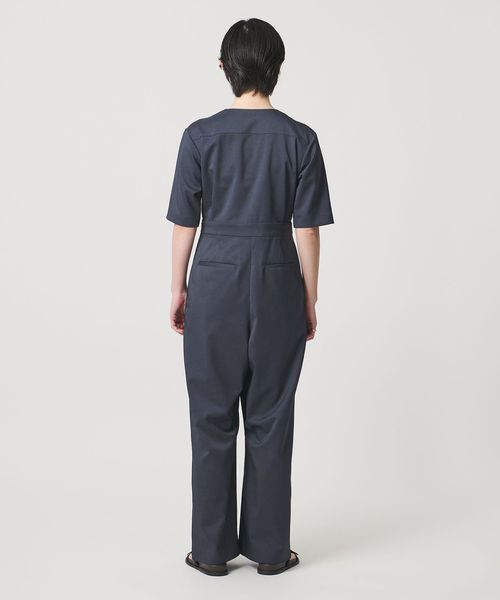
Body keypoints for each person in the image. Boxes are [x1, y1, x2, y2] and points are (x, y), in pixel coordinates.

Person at [166, 18, 334, 576]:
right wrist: (309, 297)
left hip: (214, 279)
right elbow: (307, 229)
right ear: (278, 68)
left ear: (223, 68)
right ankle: (269, 550)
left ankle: (211, 552)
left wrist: (178, 287)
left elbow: (185, 222)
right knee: (271, 416)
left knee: (211, 416)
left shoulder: (199, 136)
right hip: (278, 278)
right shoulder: (301, 139)